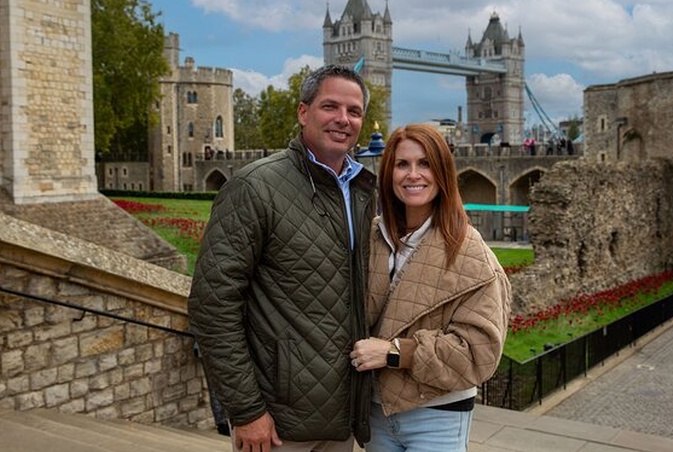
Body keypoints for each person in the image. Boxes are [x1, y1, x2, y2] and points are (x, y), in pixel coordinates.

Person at [188, 64, 377, 452]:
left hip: (342, 420)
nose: (343, 119)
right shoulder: (255, 186)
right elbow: (213, 305)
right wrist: (245, 410)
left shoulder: (364, 190)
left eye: (354, 111)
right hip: (276, 423)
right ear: (303, 112)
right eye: (330, 107)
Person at [350, 124, 511, 452]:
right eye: (402, 164)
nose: (413, 174)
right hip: (376, 411)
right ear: (388, 173)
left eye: (425, 164)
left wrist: (395, 352)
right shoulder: (372, 237)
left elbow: (479, 352)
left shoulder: (470, 252)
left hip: (438, 414)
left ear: (443, 173)